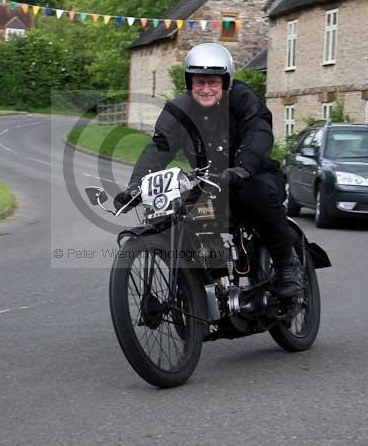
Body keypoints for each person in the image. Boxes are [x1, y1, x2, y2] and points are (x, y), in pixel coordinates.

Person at [113, 43, 300, 298]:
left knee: (255, 193)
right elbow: (160, 147)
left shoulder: (242, 98)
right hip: (209, 182)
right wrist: (137, 186)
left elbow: (259, 131)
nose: (206, 89)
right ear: (190, 82)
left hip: (253, 173)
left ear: (225, 81)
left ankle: (285, 265)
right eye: (199, 82)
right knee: (173, 213)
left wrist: (243, 167)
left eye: (213, 82)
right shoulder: (179, 109)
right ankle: (198, 284)